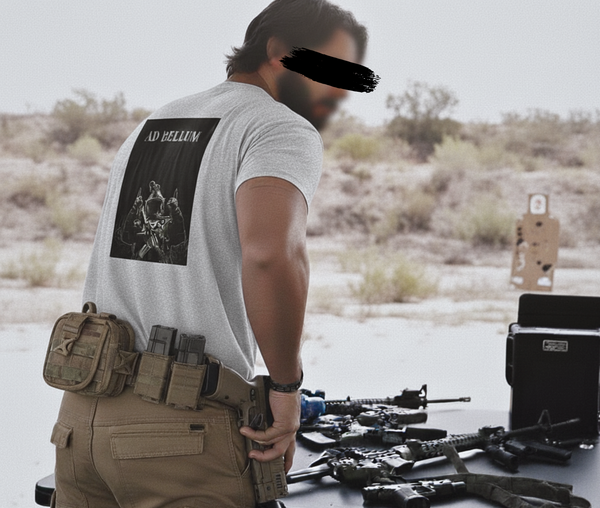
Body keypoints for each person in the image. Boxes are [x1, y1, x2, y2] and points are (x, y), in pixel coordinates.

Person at [49, 1, 369, 507]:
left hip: (82, 419)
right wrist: (286, 389)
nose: (338, 89)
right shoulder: (277, 127)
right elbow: (271, 256)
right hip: (181, 436)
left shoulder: (155, 122)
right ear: (280, 52)